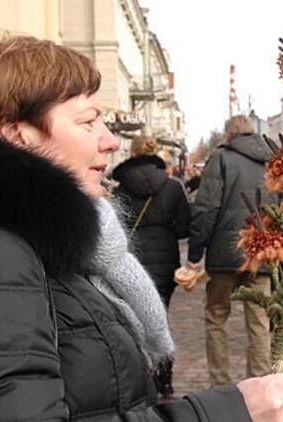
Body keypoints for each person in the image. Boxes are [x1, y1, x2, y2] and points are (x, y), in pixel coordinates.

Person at [0, 33, 283, 421]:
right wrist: (227, 411)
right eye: (88, 121)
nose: (109, 141)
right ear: (17, 133)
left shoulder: (56, 245)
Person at [185, 115, 275, 386]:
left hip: (224, 254)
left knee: (216, 318)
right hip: (261, 252)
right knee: (259, 322)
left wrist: (194, 254)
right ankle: (258, 383)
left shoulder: (221, 158)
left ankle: (220, 384)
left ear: (228, 135)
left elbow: (206, 208)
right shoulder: (271, 160)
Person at [112, 136, 191, 397]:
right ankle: (165, 378)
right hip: (165, 261)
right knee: (160, 315)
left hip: (132, 260)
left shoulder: (120, 188)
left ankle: (142, 378)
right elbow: (183, 228)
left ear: (132, 153)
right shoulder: (172, 187)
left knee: (132, 318)